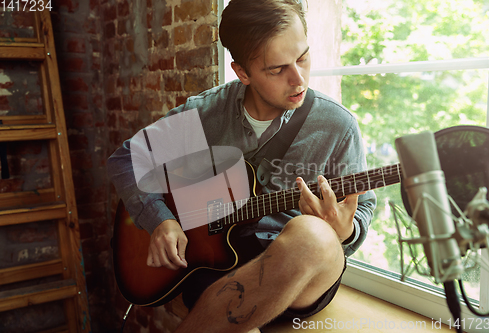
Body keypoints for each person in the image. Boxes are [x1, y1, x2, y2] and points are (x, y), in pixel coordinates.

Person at [107, 0, 376, 332]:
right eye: (277, 69)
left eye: (303, 58)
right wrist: (159, 220)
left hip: (299, 277)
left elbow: (361, 208)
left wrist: (344, 228)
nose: (298, 79)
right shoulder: (206, 114)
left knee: (313, 235)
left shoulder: (338, 125)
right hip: (216, 268)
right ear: (242, 73)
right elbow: (126, 160)